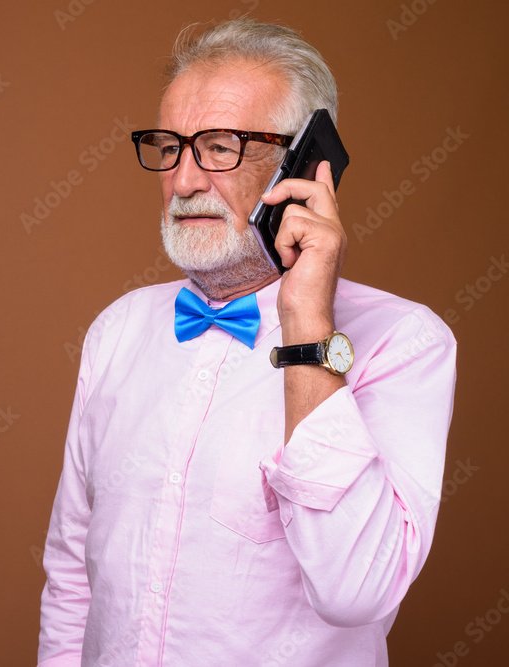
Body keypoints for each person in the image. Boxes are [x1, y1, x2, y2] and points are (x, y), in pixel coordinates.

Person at [37, 18, 457, 666]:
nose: (183, 182)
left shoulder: (406, 342)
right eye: (169, 147)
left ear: (306, 167)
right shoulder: (116, 331)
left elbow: (355, 591)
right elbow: (73, 571)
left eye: (220, 147)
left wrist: (308, 325)